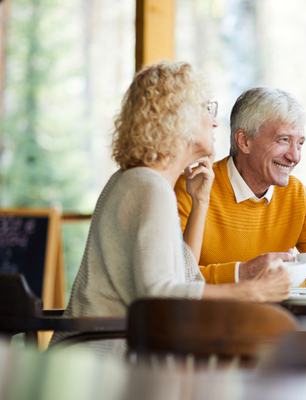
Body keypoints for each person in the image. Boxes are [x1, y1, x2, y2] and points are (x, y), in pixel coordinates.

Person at [50, 62, 291, 356]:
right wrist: (254, 292)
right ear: (179, 117)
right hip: (99, 368)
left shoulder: (138, 181)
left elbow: (183, 277)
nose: (215, 122)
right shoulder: (148, 186)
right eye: (207, 109)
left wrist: (200, 201)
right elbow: (159, 296)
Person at [174, 86, 306, 287]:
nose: (294, 156)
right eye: (283, 140)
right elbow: (173, 279)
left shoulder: (298, 196)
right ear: (244, 141)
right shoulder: (192, 188)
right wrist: (243, 272)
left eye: (299, 143)